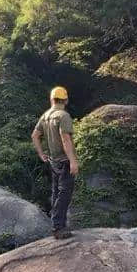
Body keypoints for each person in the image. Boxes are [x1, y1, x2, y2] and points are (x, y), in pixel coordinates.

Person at [31, 86, 79, 239]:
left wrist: (41, 153)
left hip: (53, 162)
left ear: (52, 99)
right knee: (65, 193)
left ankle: (60, 225)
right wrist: (73, 161)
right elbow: (66, 139)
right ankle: (58, 227)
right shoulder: (63, 116)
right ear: (65, 100)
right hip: (64, 161)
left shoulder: (45, 116)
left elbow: (34, 135)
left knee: (57, 193)